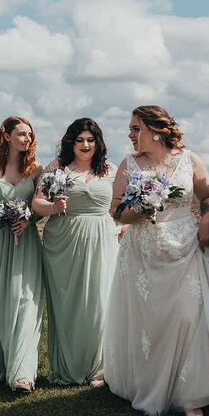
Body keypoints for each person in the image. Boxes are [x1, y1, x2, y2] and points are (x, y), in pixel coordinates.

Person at [102, 105, 209, 416]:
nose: (130, 135)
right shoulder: (129, 165)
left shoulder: (190, 160)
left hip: (187, 246)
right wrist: (141, 208)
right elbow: (116, 212)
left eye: (135, 129)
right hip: (143, 252)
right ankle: (152, 385)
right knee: (151, 323)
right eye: (130, 129)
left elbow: (208, 198)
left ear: (154, 130)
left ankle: (191, 395)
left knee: (188, 316)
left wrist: (206, 224)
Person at [31, 118, 119, 387]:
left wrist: (124, 225)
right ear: (71, 141)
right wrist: (54, 207)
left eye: (90, 140)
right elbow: (37, 203)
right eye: (80, 139)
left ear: (98, 143)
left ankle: (100, 369)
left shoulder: (111, 170)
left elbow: (123, 206)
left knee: (100, 301)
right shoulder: (56, 168)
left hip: (102, 239)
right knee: (69, 304)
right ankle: (69, 366)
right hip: (64, 241)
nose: (85, 145)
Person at [0, 116, 46, 393]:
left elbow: (39, 206)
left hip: (26, 243)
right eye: (21, 134)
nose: (26, 139)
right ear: (6, 136)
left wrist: (30, 220)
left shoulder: (36, 169)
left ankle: (23, 374)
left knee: (26, 302)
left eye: (29, 134)